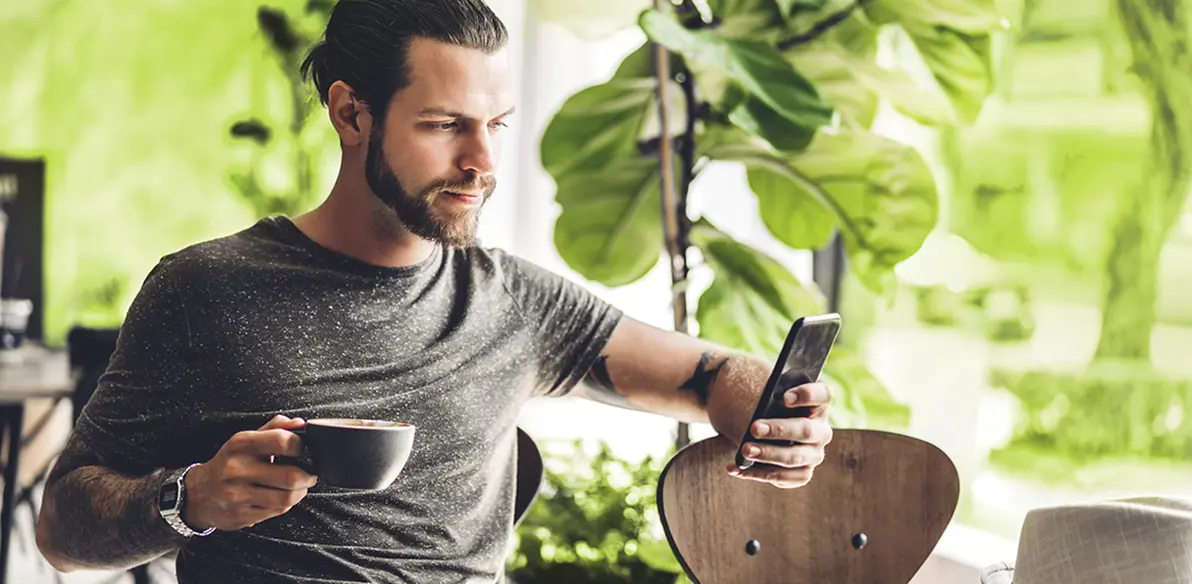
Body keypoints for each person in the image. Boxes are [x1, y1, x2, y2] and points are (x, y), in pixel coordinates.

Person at [34, 0, 834, 582]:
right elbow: (62, 531)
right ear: (352, 113)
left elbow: (706, 375)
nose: (483, 161)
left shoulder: (516, 302)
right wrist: (192, 498)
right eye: (446, 124)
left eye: (497, 124)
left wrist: (772, 416)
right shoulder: (206, 289)